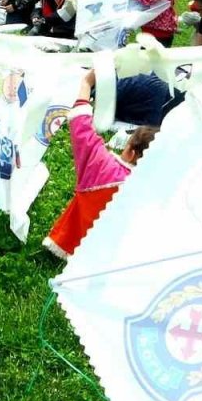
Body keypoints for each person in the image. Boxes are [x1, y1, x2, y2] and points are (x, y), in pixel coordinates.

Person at [43, 69, 158, 259]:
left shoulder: (102, 166)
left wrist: (87, 83)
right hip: (113, 258)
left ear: (130, 152)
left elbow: (82, 127)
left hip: (73, 243)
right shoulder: (154, 192)